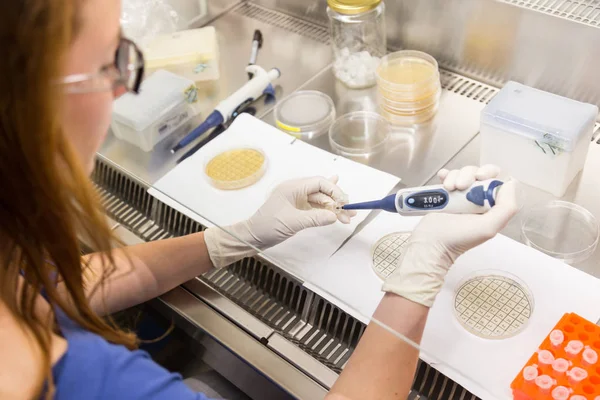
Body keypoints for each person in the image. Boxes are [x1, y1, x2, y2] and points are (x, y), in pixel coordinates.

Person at [0, 1, 518, 399]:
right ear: (23, 99)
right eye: (111, 61)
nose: (122, 90)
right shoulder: (89, 383)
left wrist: (232, 238)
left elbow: (48, 291)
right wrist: (418, 277)